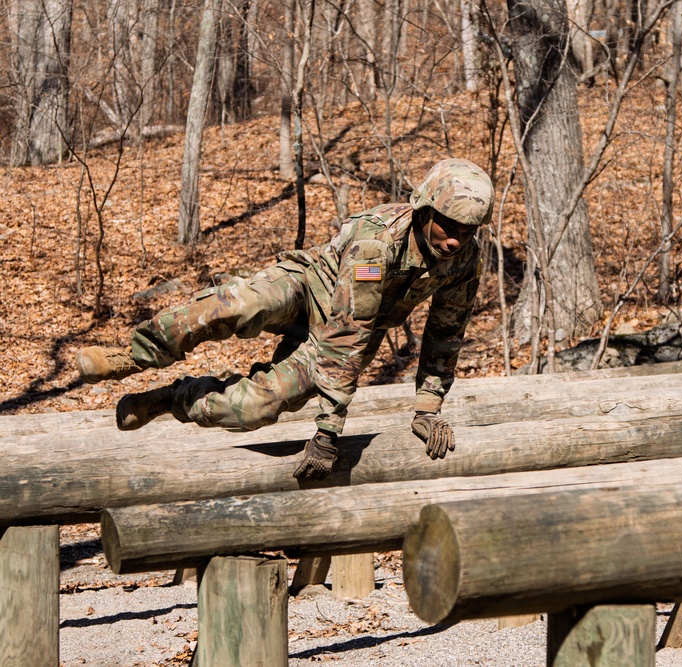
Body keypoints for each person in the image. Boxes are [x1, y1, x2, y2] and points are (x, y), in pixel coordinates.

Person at [75, 158, 494, 481]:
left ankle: (170, 399)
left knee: (255, 408)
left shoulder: (463, 263)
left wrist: (428, 408)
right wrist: (329, 431)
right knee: (239, 306)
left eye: (468, 231)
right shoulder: (377, 243)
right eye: (449, 226)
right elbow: (351, 328)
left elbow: (445, 334)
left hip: (336, 338)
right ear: (424, 210)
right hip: (308, 287)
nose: (456, 240)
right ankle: (135, 354)